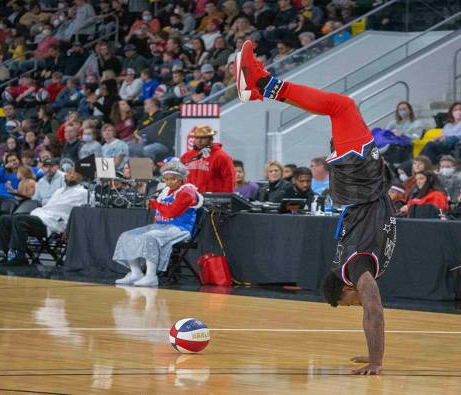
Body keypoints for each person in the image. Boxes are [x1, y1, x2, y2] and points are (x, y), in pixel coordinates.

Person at [236, 40, 395, 375]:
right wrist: (371, 354)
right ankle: (258, 86)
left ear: (346, 288)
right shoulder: (355, 265)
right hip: (365, 187)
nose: (357, 306)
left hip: (361, 186)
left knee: (341, 106)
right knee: (338, 107)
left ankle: (260, 82)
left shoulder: (355, 268)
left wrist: (377, 360)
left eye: (348, 303)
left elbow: (375, 311)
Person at [114, 157, 202, 287]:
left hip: (180, 228)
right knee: (127, 235)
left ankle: (151, 276)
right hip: (162, 226)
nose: (169, 182)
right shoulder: (165, 191)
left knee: (150, 237)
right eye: (166, 179)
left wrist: (155, 204)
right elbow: (160, 212)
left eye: (173, 179)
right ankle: (135, 272)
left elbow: (172, 212)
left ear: (182, 178)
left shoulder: (187, 192)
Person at [0, 161, 87, 265]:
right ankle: (6, 254)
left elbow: (81, 214)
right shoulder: (59, 191)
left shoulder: (83, 193)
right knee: (4, 219)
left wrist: (68, 228)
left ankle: (19, 256)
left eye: (74, 174)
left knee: (20, 219)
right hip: (40, 216)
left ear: (80, 177)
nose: (70, 175)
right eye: (69, 173)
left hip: (52, 224)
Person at [180, 125, 235, 193]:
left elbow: (229, 179)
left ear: (211, 139)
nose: (199, 141)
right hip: (189, 198)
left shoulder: (222, 156)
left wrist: (226, 199)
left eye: (203, 138)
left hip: (213, 199)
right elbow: (179, 177)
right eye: (197, 138)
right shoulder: (186, 156)